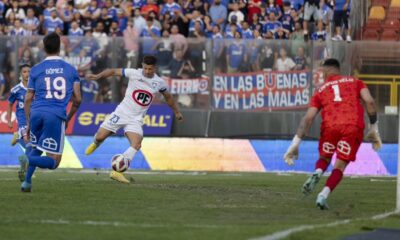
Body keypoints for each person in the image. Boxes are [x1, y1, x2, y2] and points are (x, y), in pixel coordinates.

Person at [283, 58, 381, 210]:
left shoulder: (320, 90)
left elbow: (308, 118)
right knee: (340, 165)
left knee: (325, 157)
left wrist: (295, 144)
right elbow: (370, 102)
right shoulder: (355, 82)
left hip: (330, 127)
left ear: (326, 71)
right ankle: (323, 195)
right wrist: (374, 128)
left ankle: (318, 171)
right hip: (352, 125)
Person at [85, 55, 184, 184]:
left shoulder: (159, 82)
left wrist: (176, 112)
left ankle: (117, 172)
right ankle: (96, 143)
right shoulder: (133, 73)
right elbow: (114, 71)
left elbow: (168, 97)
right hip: (121, 113)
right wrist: (98, 76)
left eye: (150, 69)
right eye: (146, 68)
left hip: (136, 119)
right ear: (142, 65)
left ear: (155, 68)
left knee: (137, 143)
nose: (148, 71)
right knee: (99, 137)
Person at [21, 32, 82, 192]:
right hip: (55, 115)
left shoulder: (36, 69)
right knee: (54, 162)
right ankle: (27, 159)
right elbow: (78, 99)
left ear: (44, 47)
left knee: (36, 148)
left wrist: (28, 120)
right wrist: (68, 118)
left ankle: (26, 183)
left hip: (36, 112)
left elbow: (28, 98)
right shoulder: (70, 69)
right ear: (59, 47)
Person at [7, 64, 30, 181]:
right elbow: (10, 104)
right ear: (21, 74)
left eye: (29, 72)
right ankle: (25, 170)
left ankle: (17, 136)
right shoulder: (16, 90)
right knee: (28, 145)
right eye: (24, 72)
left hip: (34, 121)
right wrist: (9, 120)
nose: (27, 74)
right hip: (22, 121)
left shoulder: (35, 89)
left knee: (34, 148)